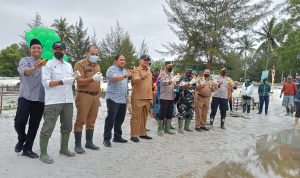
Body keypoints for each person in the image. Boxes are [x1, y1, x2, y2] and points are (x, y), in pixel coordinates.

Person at [39, 42, 76, 164]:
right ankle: (43, 153)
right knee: (48, 127)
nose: (59, 51)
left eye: (62, 49)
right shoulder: (47, 64)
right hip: (53, 101)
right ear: (52, 51)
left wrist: (74, 79)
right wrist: (61, 81)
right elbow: (46, 83)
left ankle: (64, 149)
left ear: (65, 51)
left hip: (68, 100)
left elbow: (70, 81)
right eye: (57, 49)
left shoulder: (69, 65)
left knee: (67, 126)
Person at [14, 39, 45, 159]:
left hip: (40, 99)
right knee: (19, 122)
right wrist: (36, 67)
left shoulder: (46, 63)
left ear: (42, 49)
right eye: (34, 48)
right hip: (25, 96)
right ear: (30, 49)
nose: (36, 49)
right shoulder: (25, 60)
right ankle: (22, 138)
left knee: (34, 125)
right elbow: (25, 72)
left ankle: (28, 149)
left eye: (39, 47)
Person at [73, 45, 102, 154]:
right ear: (87, 53)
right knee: (81, 121)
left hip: (95, 96)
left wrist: (98, 97)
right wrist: (92, 78)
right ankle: (78, 145)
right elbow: (78, 81)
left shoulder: (97, 65)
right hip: (83, 95)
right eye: (92, 54)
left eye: (96, 54)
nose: (95, 56)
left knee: (91, 121)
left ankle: (89, 142)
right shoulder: (79, 64)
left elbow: (98, 82)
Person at [103, 54, 132, 147]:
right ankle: (106, 139)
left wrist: (127, 95)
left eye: (124, 60)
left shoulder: (124, 70)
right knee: (110, 119)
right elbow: (114, 79)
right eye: (121, 60)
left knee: (120, 119)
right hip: (113, 98)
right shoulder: (111, 69)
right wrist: (125, 75)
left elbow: (125, 84)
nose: (123, 61)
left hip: (122, 99)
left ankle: (117, 137)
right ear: (116, 61)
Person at [130, 54, 153, 143]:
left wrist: (151, 97)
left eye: (148, 60)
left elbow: (150, 85)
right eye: (144, 60)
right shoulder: (137, 70)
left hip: (147, 97)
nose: (146, 61)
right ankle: (133, 135)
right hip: (138, 97)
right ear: (140, 61)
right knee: (135, 116)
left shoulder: (149, 71)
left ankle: (142, 133)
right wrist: (143, 77)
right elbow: (135, 79)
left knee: (144, 116)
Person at [157, 64, 175, 136]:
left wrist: (174, 92)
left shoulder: (171, 75)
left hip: (171, 97)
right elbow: (161, 82)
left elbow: (173, 84)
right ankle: (160, 129)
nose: (171, 68)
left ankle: (167, 129)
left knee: (170, 112)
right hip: (164, 96)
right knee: (162, 113)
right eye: (170, 67)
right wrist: (169, 82)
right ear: (166, 67)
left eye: (172, 67)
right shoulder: (162, 74)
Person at [177, 69, 197, 133]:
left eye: (190, 71)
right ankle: (180, 128)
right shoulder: (182, 78)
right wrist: (189, 83)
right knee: (182, 113)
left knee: (190, 113)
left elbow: (194, 87)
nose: (189, 72)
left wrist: (191, 84)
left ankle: (187, 127)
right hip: (183, 98)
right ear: (186, 72)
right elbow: (182, 86)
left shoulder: (192, 78)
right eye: (188, 71)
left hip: (191, 99)